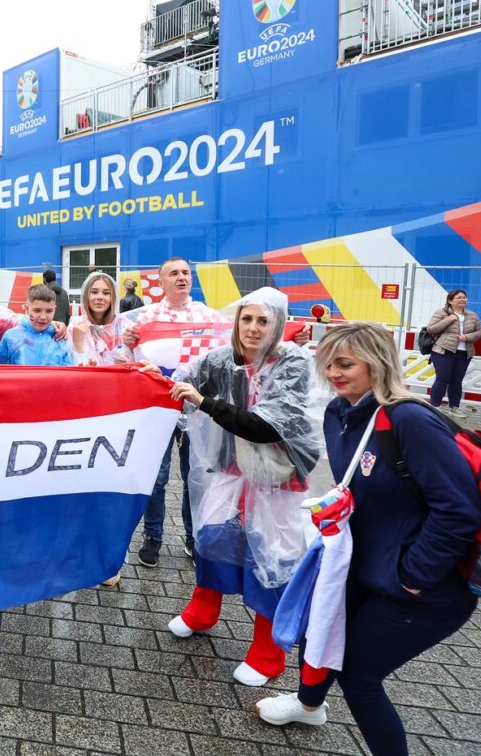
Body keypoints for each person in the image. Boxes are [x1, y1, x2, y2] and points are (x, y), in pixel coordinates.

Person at [254, 323, 481, 756]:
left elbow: (459, 510)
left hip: (423, 588)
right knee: (319, 627)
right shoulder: (339, 412)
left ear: (377, 365)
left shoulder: (409, 419)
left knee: (358, 675)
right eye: (328, 364)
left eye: (346, 364)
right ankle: (308, 705)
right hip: (364, 561)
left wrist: (413, 577)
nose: (334, 373)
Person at [165, 287, 323, 687]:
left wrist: (204, 402)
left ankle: (268, 654)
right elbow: (182, 379)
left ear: (277, 325)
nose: (252, 328)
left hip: (277, 474)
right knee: (212, 536)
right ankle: (203, 611)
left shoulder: (293, 363)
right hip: (231, 469)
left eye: (262, 321)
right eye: (246, 319)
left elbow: (266, 425)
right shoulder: (223, 359)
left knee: (272, 556)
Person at [121, 257, 230, 567]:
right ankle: (153, 537)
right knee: (156, 478)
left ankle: (193, 538)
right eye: (174, 273)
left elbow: (238, 345)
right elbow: (125, 362)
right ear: (161, 281)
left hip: (198, 408)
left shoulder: (210, 317)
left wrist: (294, 335)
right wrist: (127, 345)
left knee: (196, 477)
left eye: (185, 272)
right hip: (158, 409)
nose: (181, 277)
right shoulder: (143, 320)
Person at [425, 289, 481, 412]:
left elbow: (479, 332)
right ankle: (435, 407)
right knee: (442, 379)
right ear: (450, 301)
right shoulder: (441, 313)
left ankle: (454, 408)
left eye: (464, 297)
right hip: (443, 350)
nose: (462, 300)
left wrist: (467, 337)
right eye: (459, 298)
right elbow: (431, 329)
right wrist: (449, 319)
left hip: (464, 352)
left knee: (457, 382)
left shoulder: (472, 315)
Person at [0, 284, 76, 366]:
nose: (43, 317)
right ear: (27, 309)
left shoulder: (60, 338)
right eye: (37, 310)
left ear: (55, 309)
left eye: (49, 311)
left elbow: (69, 372)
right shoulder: (11, 337)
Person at [70, 272, 133, 367]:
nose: (99, 297)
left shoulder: (125, 326)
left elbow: (140, 362)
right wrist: (77, 343)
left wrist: (129, 362)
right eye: (94, 292)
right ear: (86, 296)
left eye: (106, 293)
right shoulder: (76, 326)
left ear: (113, 298)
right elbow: (69, 366)